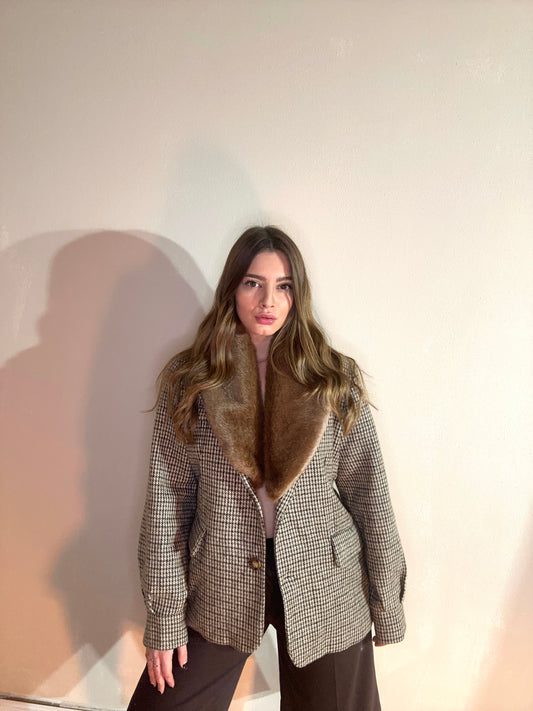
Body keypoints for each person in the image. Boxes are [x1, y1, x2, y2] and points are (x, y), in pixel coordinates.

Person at [127, 225, 406, 711]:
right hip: (221, 574)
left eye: (284, 286)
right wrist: (165, 618)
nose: (268, 301)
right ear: (232, 288)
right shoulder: (191, 381)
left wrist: (386, 602)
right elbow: (168, 504)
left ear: (299, 294)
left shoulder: (331, 378)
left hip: (325, 581)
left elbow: (369, 494)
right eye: (253, 283)